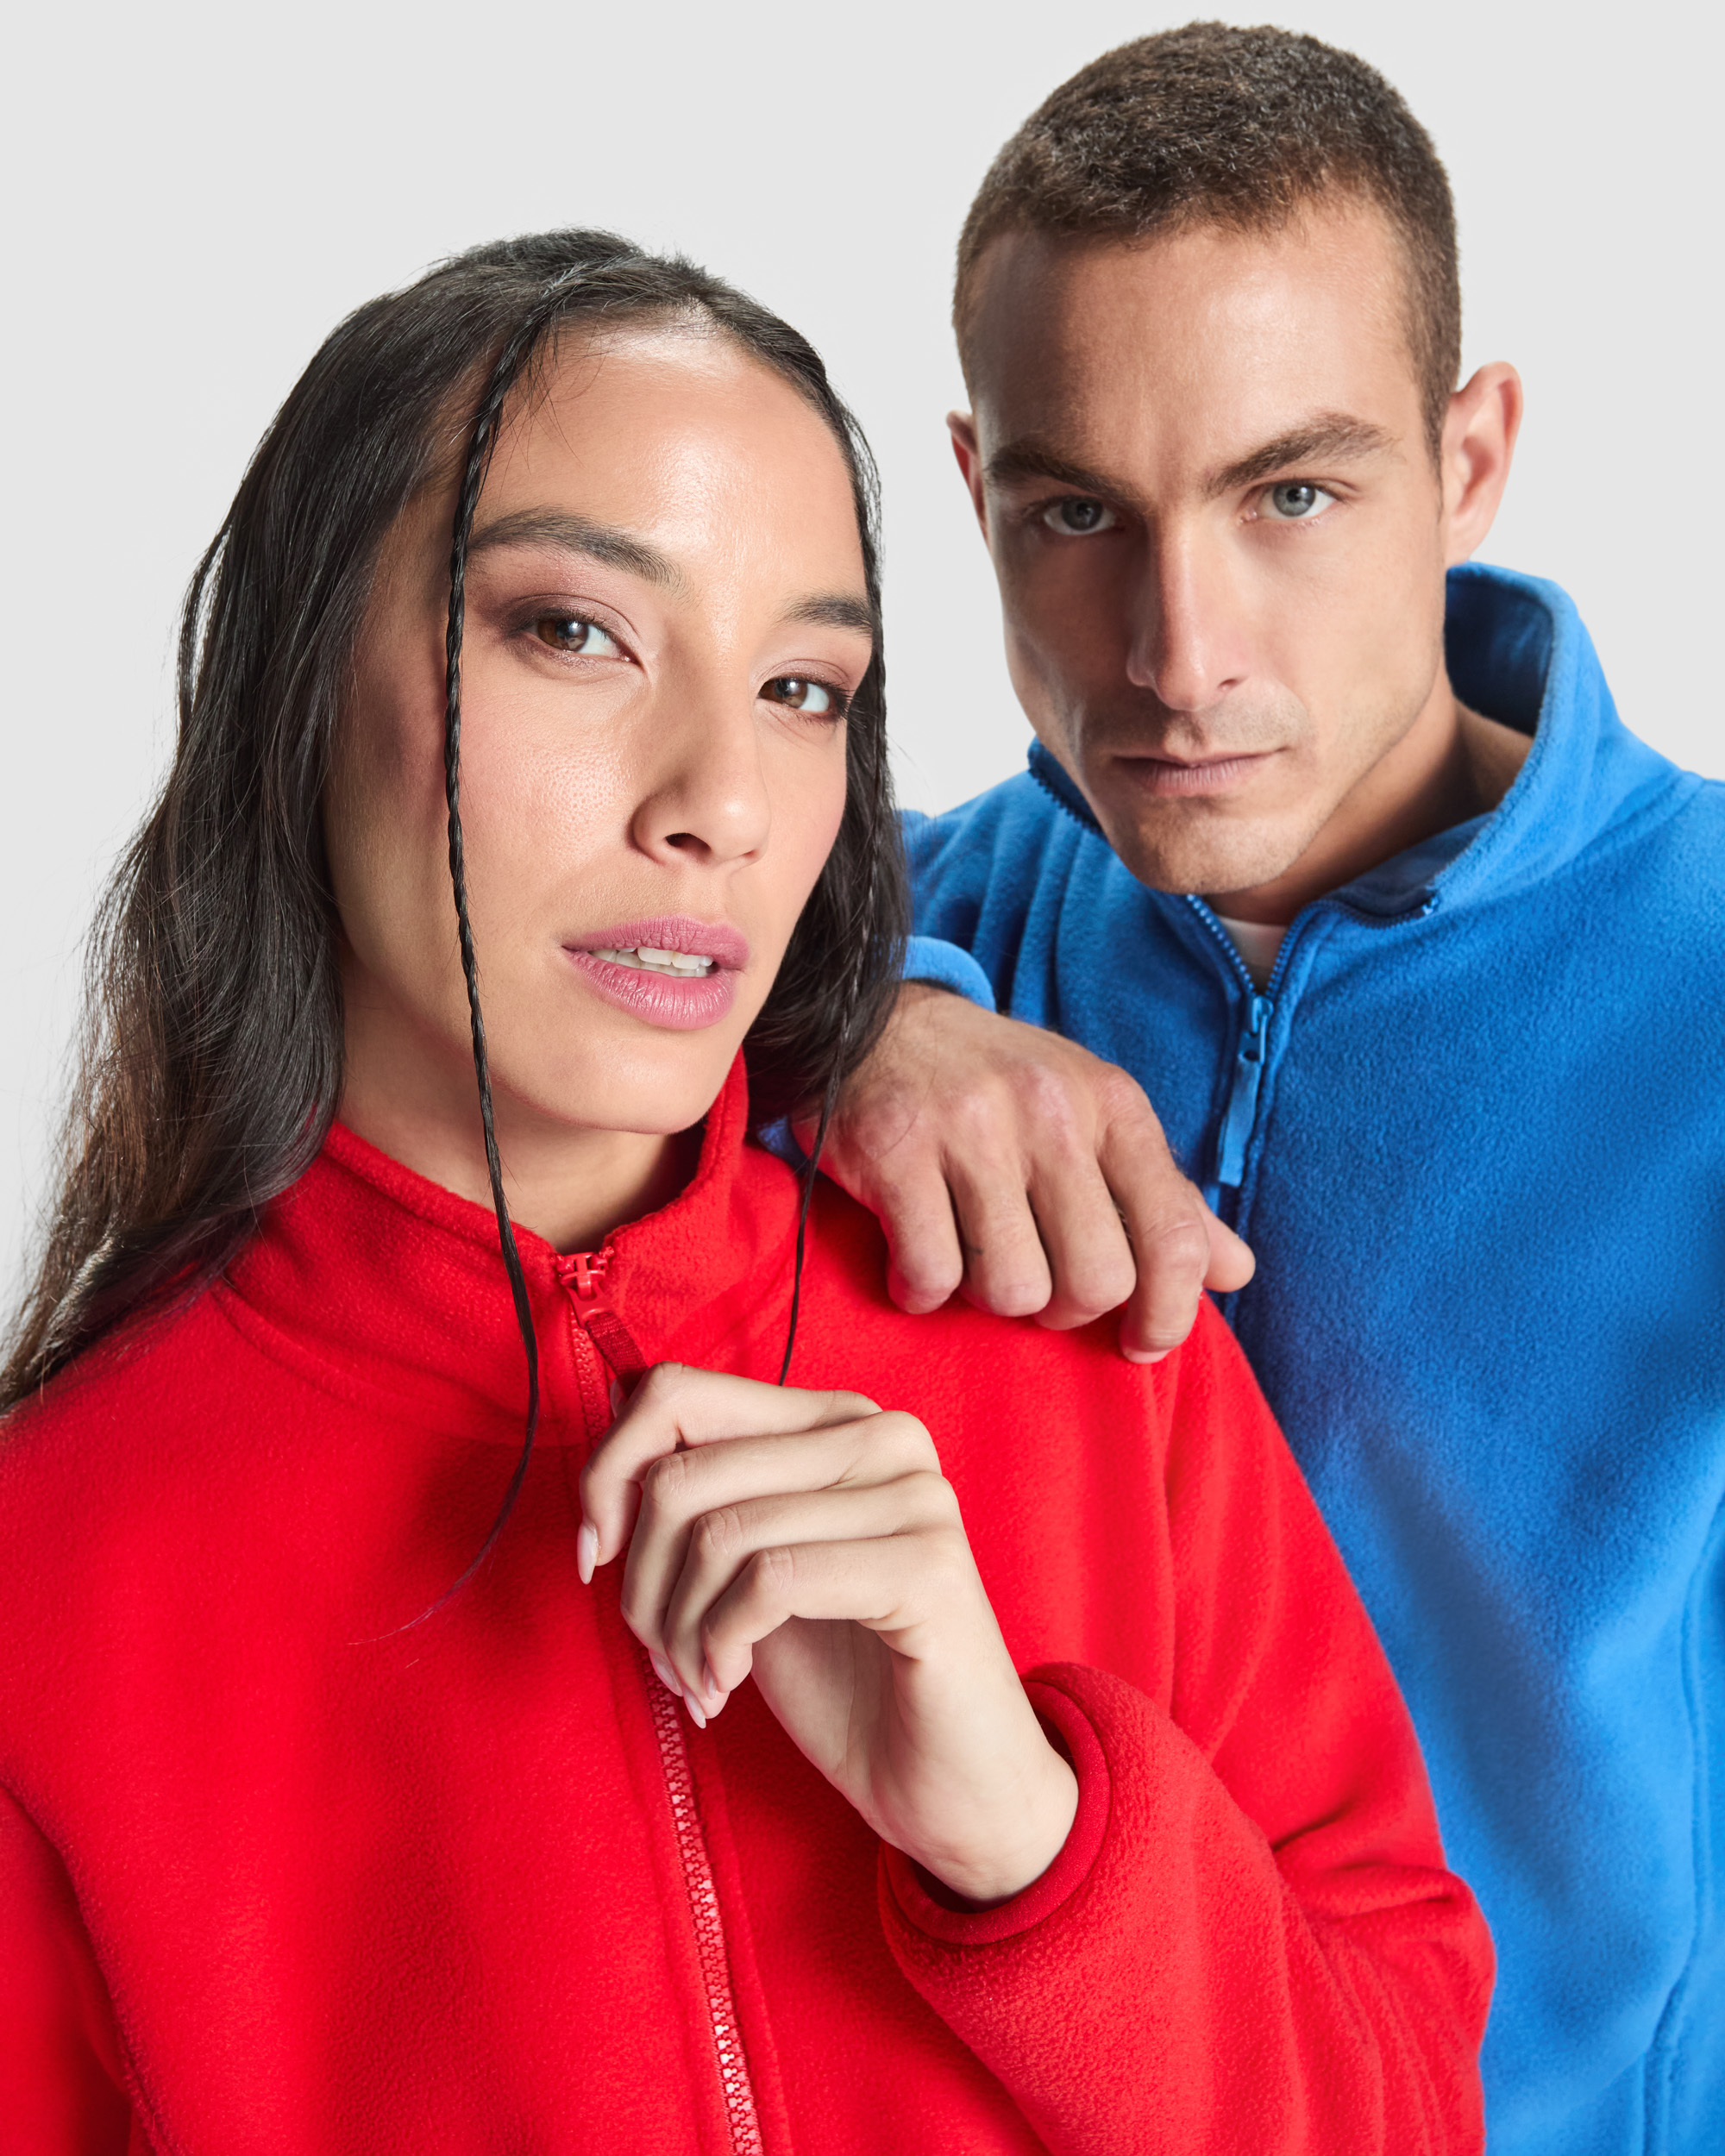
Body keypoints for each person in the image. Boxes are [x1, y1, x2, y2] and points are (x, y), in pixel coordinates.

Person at [0, 232, 1488, 2153]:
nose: (718, 798)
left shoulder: (1085, 1329)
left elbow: (1409, 2112)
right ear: (302, 680)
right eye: (574, 633)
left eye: (802, 685)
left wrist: (1035, 1836)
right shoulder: (51, 1575)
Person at [817, 26, 1725, 2156]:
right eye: (1075, 512)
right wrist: (855, 1013)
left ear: (1468, 459)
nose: (1176, 648)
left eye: (1290, 493)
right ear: (971, 485)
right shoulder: (909, 920)